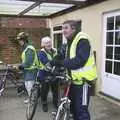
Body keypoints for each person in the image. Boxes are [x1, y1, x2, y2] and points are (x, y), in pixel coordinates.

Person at [50, 20, 97, 120]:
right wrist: (52, 61)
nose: (63, 31)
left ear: (73, 28)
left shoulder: (82, 40)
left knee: (82, 111)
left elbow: (79, 61)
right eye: (62, 28)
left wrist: (60, 63)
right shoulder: (69, 41)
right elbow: (62, 54)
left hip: (83, 82)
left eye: (66, 28)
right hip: (73, 81)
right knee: (73, 110)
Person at [16, 32, 39, 103]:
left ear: (24, 40)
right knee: (28, 86)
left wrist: (19, 66)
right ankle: (31, 99)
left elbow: (28, 63)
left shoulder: (29, 49)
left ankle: (32, 100)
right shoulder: (26, 48)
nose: (19, 42)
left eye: (20, 40)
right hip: (28, 71)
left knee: (30, 86)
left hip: (32, 71)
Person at [38, 36, 58, 112]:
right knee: (44, 90)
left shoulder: (55, 51)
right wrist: (54, 69)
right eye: (46, 43)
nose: (49, 44)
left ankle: (56, 104)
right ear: (43, 44)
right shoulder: (41, 52)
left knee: (55, 90)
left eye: (49, 42)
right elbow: (45, 62)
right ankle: (44, 103)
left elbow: (59, 60)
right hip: (44, 74)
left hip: (54, 74)